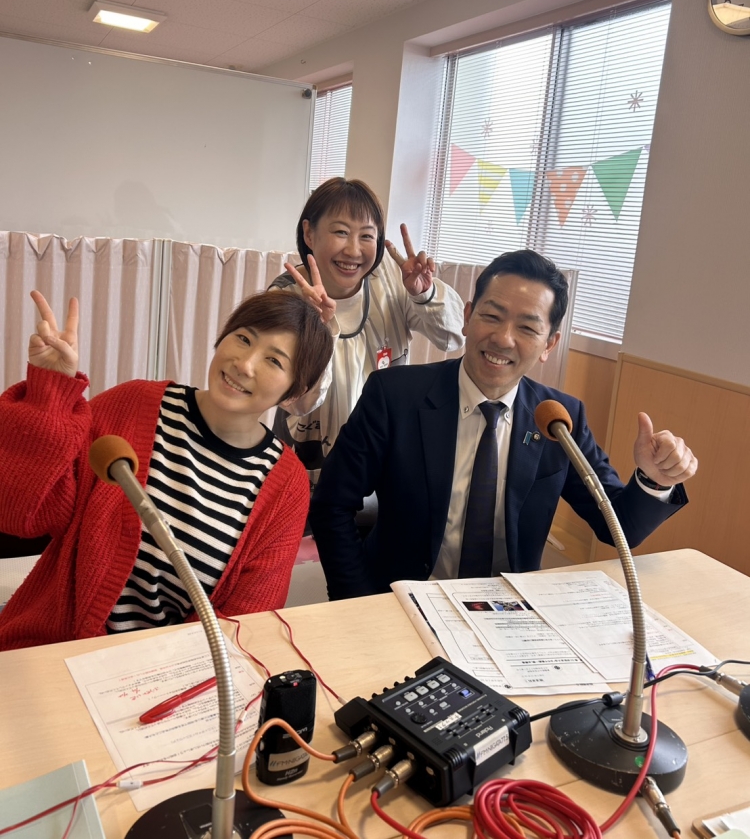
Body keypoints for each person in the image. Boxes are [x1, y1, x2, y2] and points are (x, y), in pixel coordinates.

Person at [309, 249, 698, 600]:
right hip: (401, 600)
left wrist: (654, 480)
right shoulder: (394, 395)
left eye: (527, 328)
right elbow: (332, 504)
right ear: (467, 317)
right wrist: (357, 601)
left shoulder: (560, 418)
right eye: (491, 316)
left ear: (549, 344)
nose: (503, 338)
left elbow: (618, 527)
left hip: (509, 615)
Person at [0, 288, 333, 650]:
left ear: (293, 391)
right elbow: (20, 513)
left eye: (274, 361)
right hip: (53, 646)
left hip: (171, 670)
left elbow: (244, 620)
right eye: (243, 338)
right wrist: (49, 394)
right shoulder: (133, 405)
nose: (245, 364)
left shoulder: (285, 484)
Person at [269, 178, 465, 479]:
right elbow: (298, 401)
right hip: (308, 462)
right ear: (309, 233)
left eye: (366, 236)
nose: (353, 250)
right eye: (341, 232)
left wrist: (424, 293)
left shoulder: (393, 280)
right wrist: (320, 328)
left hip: (381, 455)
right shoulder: (286, 296)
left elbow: (453, 337)